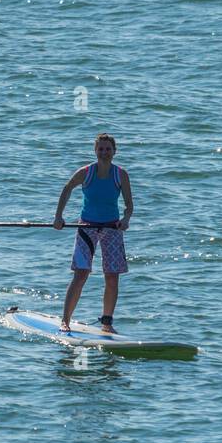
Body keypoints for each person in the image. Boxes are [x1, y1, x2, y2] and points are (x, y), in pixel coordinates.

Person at [52, 133, 134, 332]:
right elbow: (67, 188)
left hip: (111, 228)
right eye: (101, 149)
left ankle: (107, 324)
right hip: (87, 228)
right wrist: (58, 216)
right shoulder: (86, 172)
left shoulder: (120, 174)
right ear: (95, 151)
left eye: (108, 149)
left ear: (114, 152)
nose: (104, 153)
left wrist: (125, 220)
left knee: (112, 276)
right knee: (81, 274)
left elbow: (129, 205)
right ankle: (65, 321)